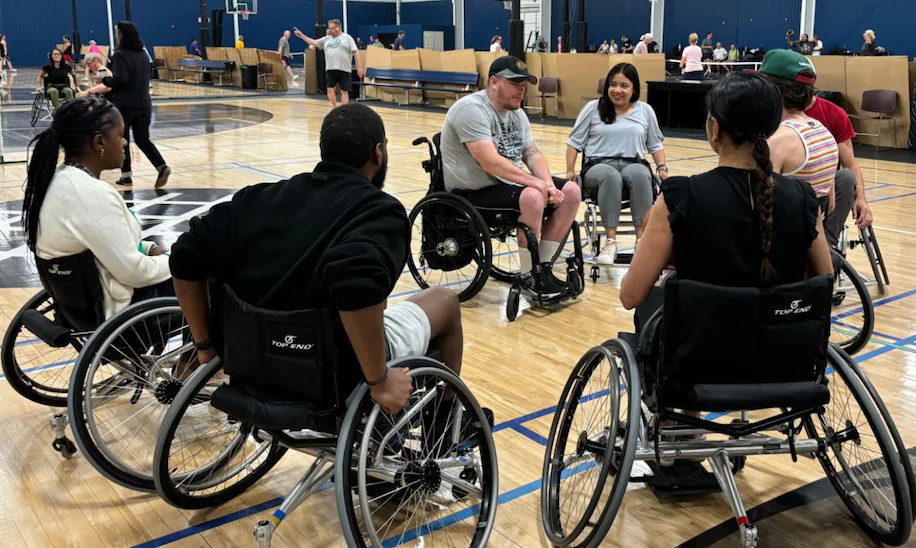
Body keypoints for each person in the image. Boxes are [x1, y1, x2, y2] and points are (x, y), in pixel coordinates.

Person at [170, 104, 486, 428]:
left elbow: (183, 256)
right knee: (444, 302)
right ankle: (445, 422)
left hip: (249, 360)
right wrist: (379, 380)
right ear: (378, 153)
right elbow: (355, 286)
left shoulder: (258, 199)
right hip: (332, 372)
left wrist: (205, 344)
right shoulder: (378, 211)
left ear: (324, 150)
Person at [619, 69, 833, 331]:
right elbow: (823, 284)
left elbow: (630, 297)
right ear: (771, 127)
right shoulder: (803, 197)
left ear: (715, 128)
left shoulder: (679, 196)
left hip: (698, 357)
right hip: (784, 357)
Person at [441, 56, 582, 295]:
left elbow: (531, 152)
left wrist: (548, 183)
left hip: (506, 185)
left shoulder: (517, 114)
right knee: (533, 197)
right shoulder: (471, 110)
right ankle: (530, 278)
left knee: (570, 192)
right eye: (515, 84)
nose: (522, 90)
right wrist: (538, 185)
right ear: (494, 82)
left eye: (524, 84)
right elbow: (490, 162)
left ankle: (541, 268)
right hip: (473, 192)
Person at [22, 97, 172, 317]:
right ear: (99, 142)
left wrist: (148, 249)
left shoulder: (58, 179)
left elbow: (99, 241)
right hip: (118, 309)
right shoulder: (89, 193)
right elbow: (136, 273)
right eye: (120, 135)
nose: (125, 143)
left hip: (79, 302)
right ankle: (202, 352)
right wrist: (177, 259)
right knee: (214, 280)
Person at [566, 62, 668, 265]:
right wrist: (570, 170)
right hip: (598, 165)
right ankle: (610, 242)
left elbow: (655, 145)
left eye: (624, 86)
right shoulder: (593, 108)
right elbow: (574, 143)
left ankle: (642, 241)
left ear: (634, 89)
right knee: (610, 176)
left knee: (641, 175)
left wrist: (662, 168)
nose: (617, 90)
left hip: (633, 162)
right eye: (613, 85)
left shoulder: (645, 111)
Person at [80, 21, 171, 189]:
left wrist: (105, 80)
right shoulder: (143, 54)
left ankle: (126, 175)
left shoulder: (121, 54)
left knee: (123, 140)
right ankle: (161, 165)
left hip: (125, 104)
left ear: (121, 35)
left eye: (117, 33)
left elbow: (121, 80)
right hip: (144, 103)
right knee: (143, 139)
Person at [762, 50, 839, 215]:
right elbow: (830, 204)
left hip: (783, 236)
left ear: (771, 90)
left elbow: (759, 205)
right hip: (811, 232)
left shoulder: (780, 141)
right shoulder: (823, 132)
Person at [806, 92, 874, 248]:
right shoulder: (772, 112)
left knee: (847, 177)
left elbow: (850, 164)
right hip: (788, 192)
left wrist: (861, 199)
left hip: (823, 193)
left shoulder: (832, 112)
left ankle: (828, 245)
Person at [294, 19, 363, 107]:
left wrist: (359, 67)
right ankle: (334, 107)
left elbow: (355, 52)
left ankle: (343, 108)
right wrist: (302, 36)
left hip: (344, 68)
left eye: (332, 28)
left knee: (344, 91)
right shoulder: (327, 39)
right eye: (329, 28)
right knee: (330, 89)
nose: (330, 30)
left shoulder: (347, 38)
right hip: (331, 68)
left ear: (337, 28)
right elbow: (314, 42)